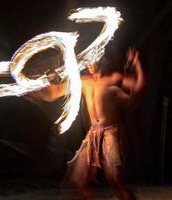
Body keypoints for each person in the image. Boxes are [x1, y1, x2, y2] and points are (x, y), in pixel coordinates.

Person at [28, 47, 145, 200]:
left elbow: (138, 86)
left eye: (94, 60)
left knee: (116, 180)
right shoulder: (84, 81)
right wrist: (40, 85)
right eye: (89, 61)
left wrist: (137, 64)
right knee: (73, 182)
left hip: (111, 135)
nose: (90, 64)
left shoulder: (113, 78)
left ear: (104, 61)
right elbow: (53, 93)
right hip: (93, 135)